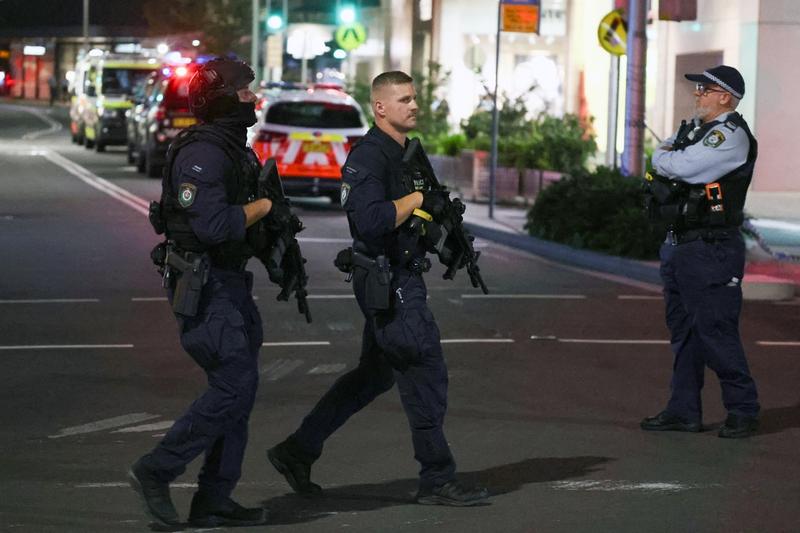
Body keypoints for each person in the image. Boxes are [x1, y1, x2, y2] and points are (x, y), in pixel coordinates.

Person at [266, 71, 489, 506]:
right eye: (404, 99)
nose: (414, 106)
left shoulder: (409, 154)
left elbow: (432, 203)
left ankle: (297, 450)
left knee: (373, 375)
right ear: (381, 107)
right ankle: (437, 477)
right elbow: (368, 221)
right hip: (388, 279)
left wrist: (446, 226)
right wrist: (418, 203)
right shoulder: (367, 158)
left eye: (414, 98)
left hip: (403, 273)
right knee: (423, 369)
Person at [128, 57, 278, 528]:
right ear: (221, 100)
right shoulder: (205, 154)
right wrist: (266, 206)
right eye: (244, 91)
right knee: (234, 385)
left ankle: (214, 498)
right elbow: (214, 225)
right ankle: (157, 469)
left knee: (240, 391)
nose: (253, 98)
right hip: (204, 285)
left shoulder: (233, 148)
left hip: (230, 283)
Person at [642, 65, 760, 439]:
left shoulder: (729, 136)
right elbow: (667, 162)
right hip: (681, 244)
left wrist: (665, 159)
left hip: (711, 249)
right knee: (685, 334)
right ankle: (683, 410)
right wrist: (666, 159)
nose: (697, 95)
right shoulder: (696, 132)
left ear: (725, 97)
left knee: (715, 331)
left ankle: (743, 410)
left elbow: (682, 167)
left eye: (705, 89)